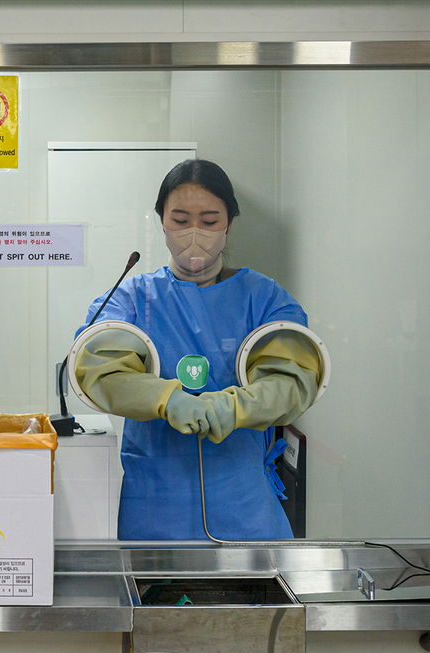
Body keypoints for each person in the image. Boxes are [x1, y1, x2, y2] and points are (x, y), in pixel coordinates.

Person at [73, 159, 322, 540]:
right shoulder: (132, 299)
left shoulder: (265, 299)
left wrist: (234, 408)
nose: (194, 233)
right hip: (154, 505)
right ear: (162, 222)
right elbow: (98, 370)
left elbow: (292, 382)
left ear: (229, 225)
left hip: (243, 505)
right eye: (180, 220)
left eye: (209, 222)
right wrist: (167, 399)